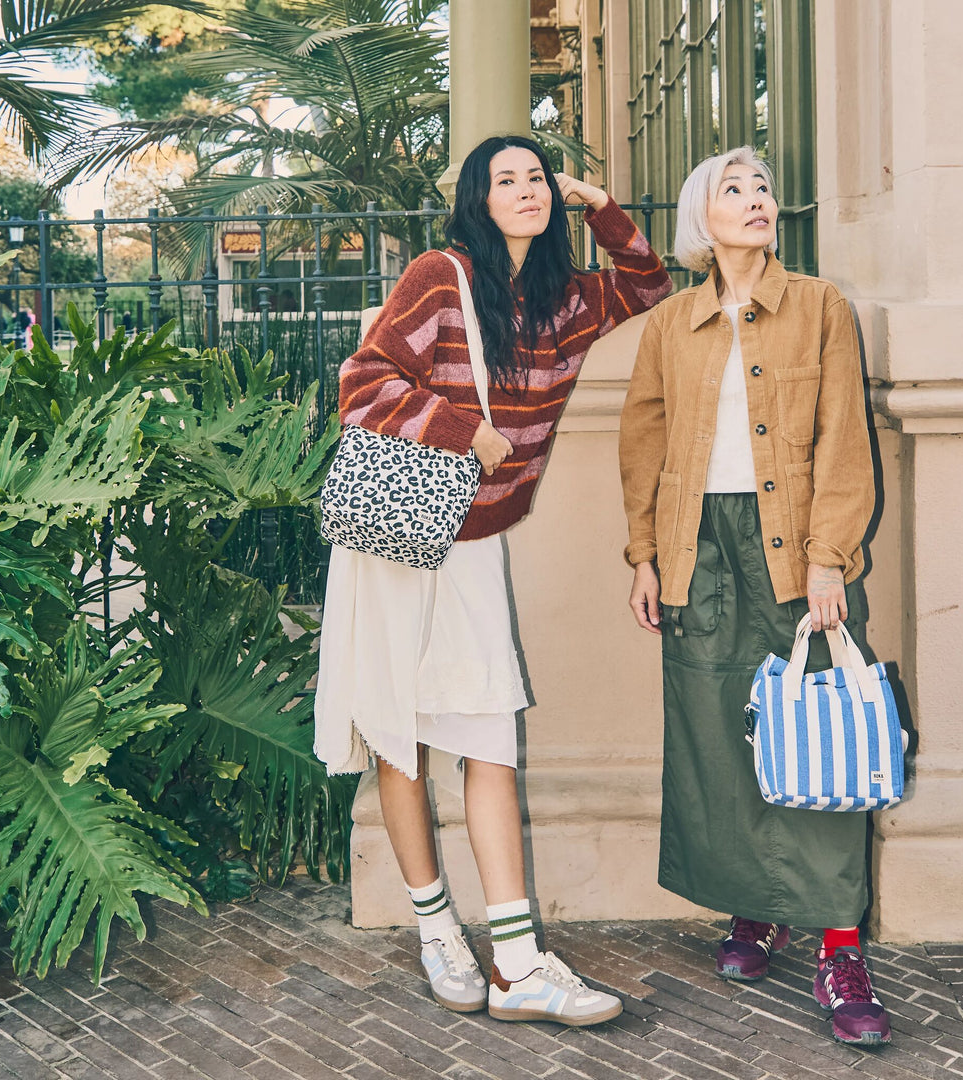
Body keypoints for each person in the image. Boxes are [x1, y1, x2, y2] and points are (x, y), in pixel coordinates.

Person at [315, 134, 671, 1025]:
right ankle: (437, 930)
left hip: (474, 543)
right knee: (405, 737)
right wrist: (459, 429)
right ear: (476, 198)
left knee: (489, 739)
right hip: (401, 537)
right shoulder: (443, 275)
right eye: (505, 179)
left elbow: (649, 286)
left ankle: (516, 966)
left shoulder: (567, 302)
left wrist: (600, 207)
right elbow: (362, 382)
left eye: (538, 178)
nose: (527, 190)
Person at [618, 147, 891, 1047]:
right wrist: (646, 557)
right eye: (734, 190)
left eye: (763, 187)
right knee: (718, 735)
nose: (757, 200)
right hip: (697, 549)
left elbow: (846, 443)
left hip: (791, 548)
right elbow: (645, 450)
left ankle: (840, 946)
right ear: (703, 215)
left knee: (814, 740)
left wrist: (829, 560)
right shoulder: (670, 325)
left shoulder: (819, 307)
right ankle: (752, 907)